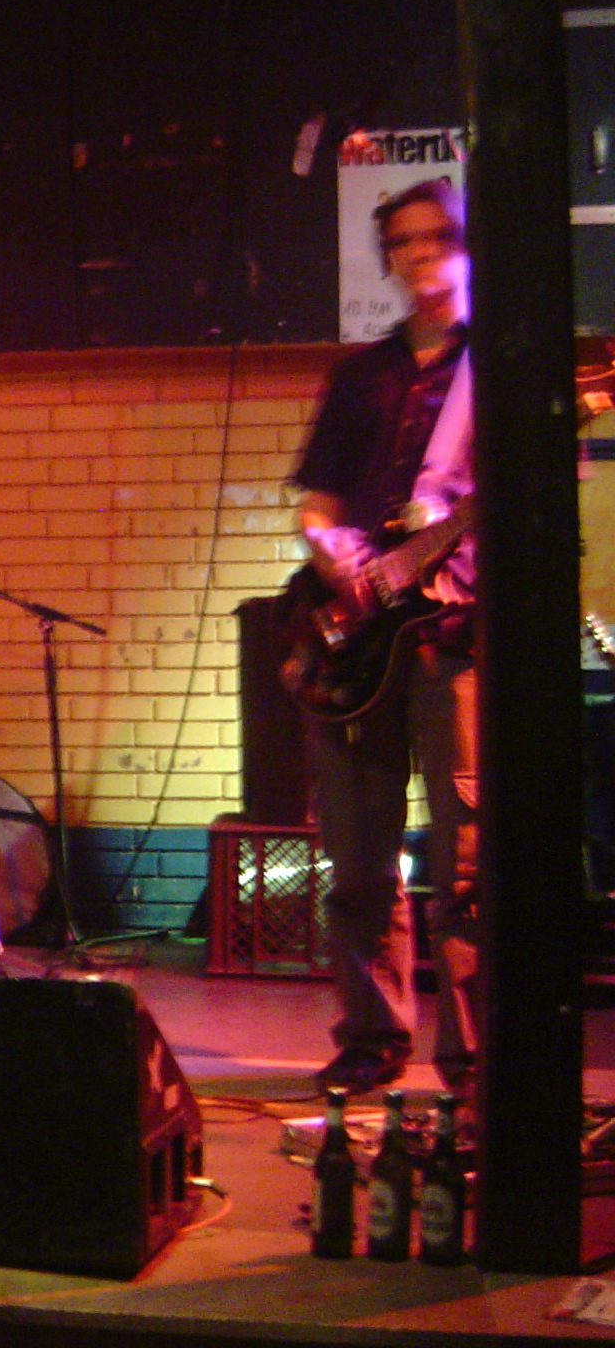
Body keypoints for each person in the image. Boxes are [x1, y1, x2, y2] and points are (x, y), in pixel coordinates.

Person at [292, 177, 478, 1101]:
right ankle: (371, 1036)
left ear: (468, 241)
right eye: (402, 240)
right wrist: (334, 554)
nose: (418, 252)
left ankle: (473, 1056)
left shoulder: (507, 369)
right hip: (360, 635)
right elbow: (317, 508)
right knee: (359, 855)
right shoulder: (360, 374)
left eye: (435, 234)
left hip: (460, 637)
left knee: (467, 860)